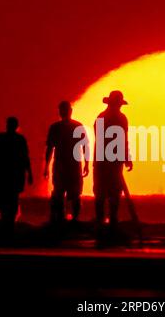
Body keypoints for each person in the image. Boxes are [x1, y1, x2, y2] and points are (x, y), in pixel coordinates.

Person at [93, 91, 133, 232]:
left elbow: (123, 140)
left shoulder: (113, 118)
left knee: (112, 192)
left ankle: (110, 221)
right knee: (102, 192)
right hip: (106, 161)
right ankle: (102, 221)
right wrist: (125, 157)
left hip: (109, 160)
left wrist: (126, 157)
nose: (119, 107)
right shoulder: (107, 118)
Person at [44, 101, 89, 225]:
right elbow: (50, 148)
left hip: (68, 165)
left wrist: (86, 163)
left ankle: (67, 219)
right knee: (65, 192)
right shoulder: (71, 126)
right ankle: (67, 219)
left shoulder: (57, 127)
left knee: (69, 193)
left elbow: (85, 145)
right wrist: (86, 164)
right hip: (66, 165)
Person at [0, 117, 33, 230]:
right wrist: (29, 173)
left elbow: (25, 157)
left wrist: (29, 172)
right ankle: (7, 218)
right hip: (8, 171)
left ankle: (9, 219)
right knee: (4, 196)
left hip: (11, 172)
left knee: (10, 196)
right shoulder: (6, 138)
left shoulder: (17, 139)